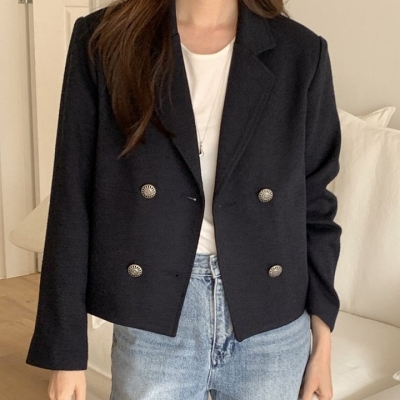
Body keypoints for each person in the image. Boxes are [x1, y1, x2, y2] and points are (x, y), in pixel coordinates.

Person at [26, 0, 342, 399]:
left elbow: (316, 208)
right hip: (154, 316)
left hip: (270, 326)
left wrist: (322, 346)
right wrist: (67, 355)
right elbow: (72, 199)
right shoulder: (105, 40)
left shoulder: (300, 52)